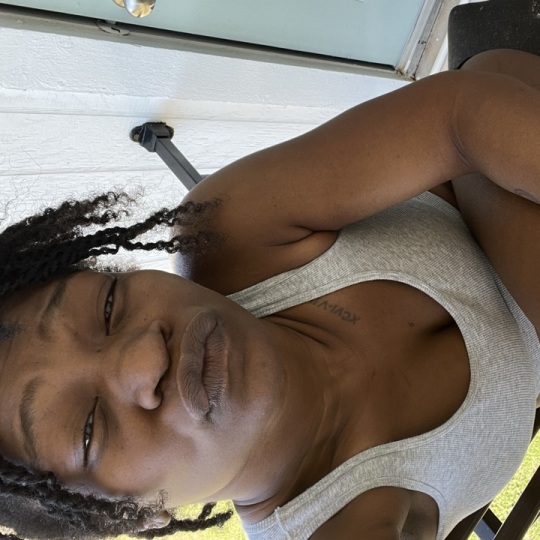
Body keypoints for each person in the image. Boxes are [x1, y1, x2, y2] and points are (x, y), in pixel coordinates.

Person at [0, 48, 539, 540]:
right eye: (89, 430)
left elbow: (461, 111)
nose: (145, 357)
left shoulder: (230, 234)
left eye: (107, 306)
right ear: (136, 516)